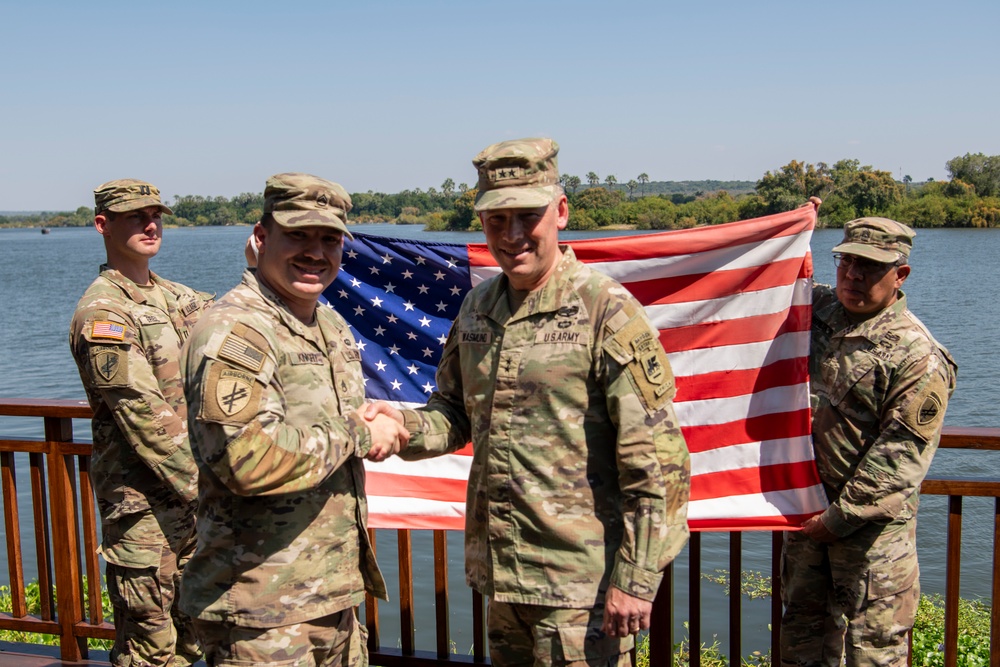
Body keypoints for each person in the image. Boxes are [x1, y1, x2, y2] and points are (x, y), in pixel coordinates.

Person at [367, 138, 691, 666]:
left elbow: (657, 460)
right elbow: (453, 413)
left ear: (560, 212)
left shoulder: (605, 311)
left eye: (527, 216)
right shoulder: (478, 307)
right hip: (503, 577)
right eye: (497, 220)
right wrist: (400, 425)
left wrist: (636, 579)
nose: (513, 235)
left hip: (580, 589)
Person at [179, 172, 408, 667]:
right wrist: (359, 433)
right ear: (261, 239)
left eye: (329, 239)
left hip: (331, 594)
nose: (315, 252)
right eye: (298, 235)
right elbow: (245, 458)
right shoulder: (236, 331)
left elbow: (335, 421)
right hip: (260, 609)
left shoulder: (327, 324)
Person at [781, 217, 958, 666]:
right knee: (801, 646)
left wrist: (836, 519)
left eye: (871, 267)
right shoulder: (818, 309)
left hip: (872, 540)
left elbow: (899, 458)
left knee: (872, 654)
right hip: (808, 522)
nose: (854, 276)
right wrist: (786, 235)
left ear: (900, 275)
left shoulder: (917, 354)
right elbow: (764, 282)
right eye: (847, 262)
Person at [69, 178, 212, 667]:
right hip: (145, 512)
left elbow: (241, 321)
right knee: (150, 649)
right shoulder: (104, 312)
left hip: (196, 504)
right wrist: (217, 486)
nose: (150, 225)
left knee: (199, 634)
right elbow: (144, 418)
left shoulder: (175, 297)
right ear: (103, 226)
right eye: (135, 216)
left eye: (155, 215)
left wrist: (262, 262)